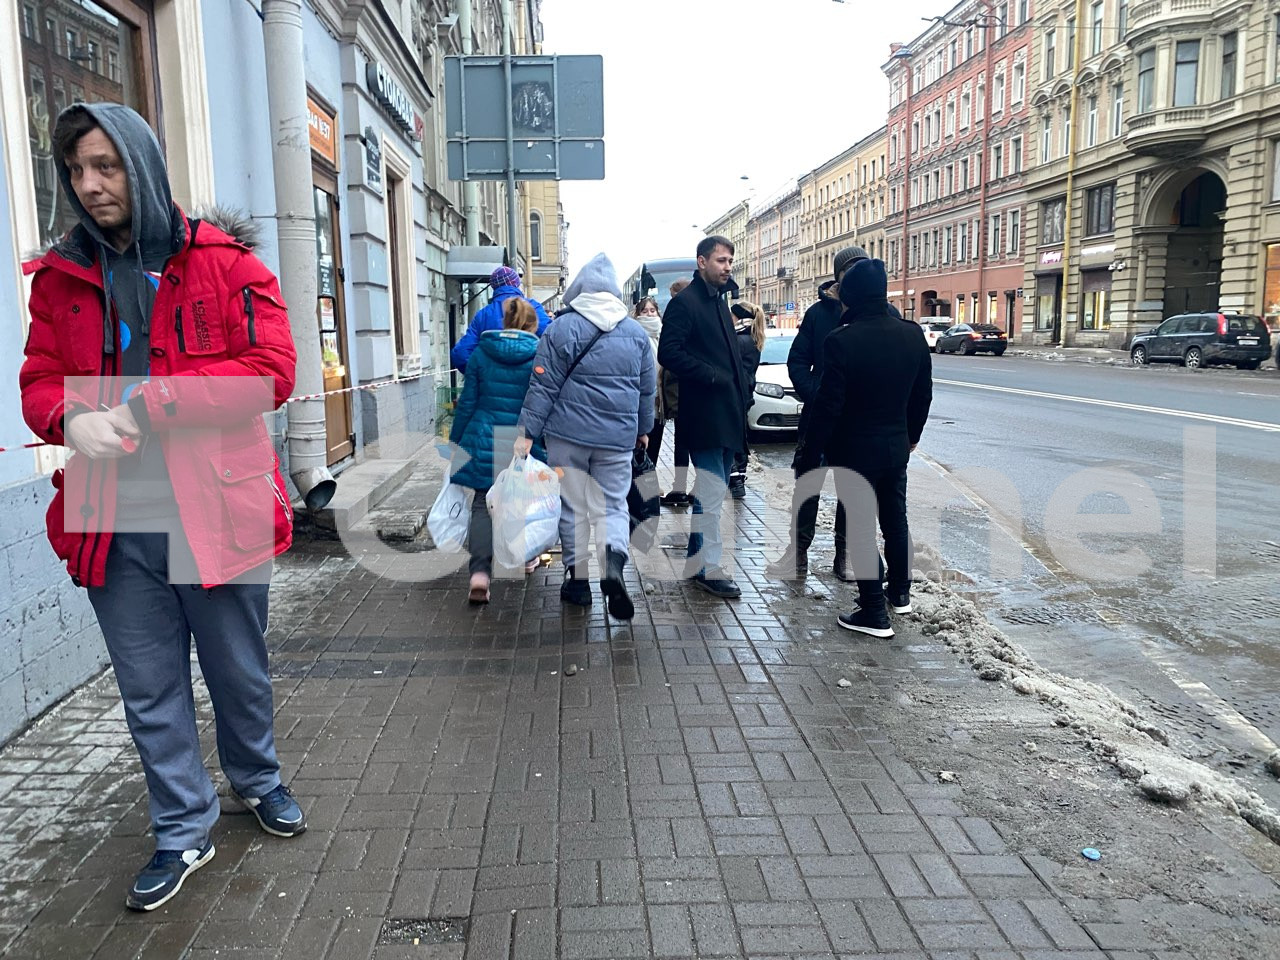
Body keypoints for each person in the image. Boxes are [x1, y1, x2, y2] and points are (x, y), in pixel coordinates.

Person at [19, 103, 304, 912]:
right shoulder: (61, 280)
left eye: (106, 166)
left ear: (141, 166)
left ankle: (258, 778)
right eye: (77, 169)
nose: (90, 184)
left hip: (217, 503)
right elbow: (38, 378)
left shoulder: (225, 263)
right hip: (113, 513)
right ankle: (183, 825)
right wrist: (69, 417)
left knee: (237, 671)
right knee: (148, 685)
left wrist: (151, 405)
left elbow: (270, 373)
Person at [517, 253, 656, 620]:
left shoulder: (559, 329)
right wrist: (644, 430)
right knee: (613, 504)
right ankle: (612, 561)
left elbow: (542, 387)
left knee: (572, 505)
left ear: (580, 290)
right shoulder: (636, 334)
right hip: (617, 439)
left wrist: (527, 433)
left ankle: (577, 583)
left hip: (567, 437)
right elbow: (647, 390)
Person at [805, 257, 932, 638]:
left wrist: (813, 451)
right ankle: (900, 593)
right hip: (896, 449)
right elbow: (922, 395)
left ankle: (874, 612)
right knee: (895, 520)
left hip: (854, 452)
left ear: (853, 297)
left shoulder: (842, 340)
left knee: (860, 527)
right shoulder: (912, 335)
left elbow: (829, 406)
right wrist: (912, 436)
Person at [766, 245, 868, 579]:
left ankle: (845, 556)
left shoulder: (877, 313)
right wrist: (815, 394)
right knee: (808, 484)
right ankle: (796, 556)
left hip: (856, 422)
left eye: (861, 268)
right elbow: (797, 360)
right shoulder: (818, 314)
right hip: (819, 419)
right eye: (850, 269)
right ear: (838, 277)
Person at [657, 236, 748, 599]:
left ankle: (697, 563)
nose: (727, 267)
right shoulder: (687, 304)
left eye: (730, 261)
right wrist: (709, 374)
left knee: (710, 494)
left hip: (727, 414)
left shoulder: (718, 302)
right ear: (701, 262)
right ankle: (708, 569)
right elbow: (669, 352)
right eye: (721, 260)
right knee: (711, 496)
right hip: (707, 416)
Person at [448, 298, 546, 603]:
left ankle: (479, 574)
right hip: (520, 439)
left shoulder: (481, 353)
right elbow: (542, 402)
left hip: (484, 434)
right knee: (520, 501)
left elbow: (467, 403)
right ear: (532, 325)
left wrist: (456, 442)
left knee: (482, 504)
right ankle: (526, 557)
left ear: (505, 323)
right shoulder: (539, 355)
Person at [450, 265, 552, 373]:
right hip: (529, 384)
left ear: (494, 287)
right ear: (516, 284)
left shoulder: (483, 315)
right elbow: (553, 339)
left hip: (491, 385)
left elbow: (461, 354)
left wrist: (480, 375)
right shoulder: (532, 308)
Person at [658, 277, 693, 506]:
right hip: (696, 391)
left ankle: (680, 488)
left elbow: (671, 357)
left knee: (683, 442)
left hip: (684, 393)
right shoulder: (702, 312)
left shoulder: (680, 315)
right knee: (693, 443)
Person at [728, 300, 765, 499]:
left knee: (731, 438)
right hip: (746, 394)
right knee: (741, 436)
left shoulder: (738, 340)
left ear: (738, 317)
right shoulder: (753, 338)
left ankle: (735, 481)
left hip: (734, 393)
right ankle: (739, 478)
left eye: (731, 316)